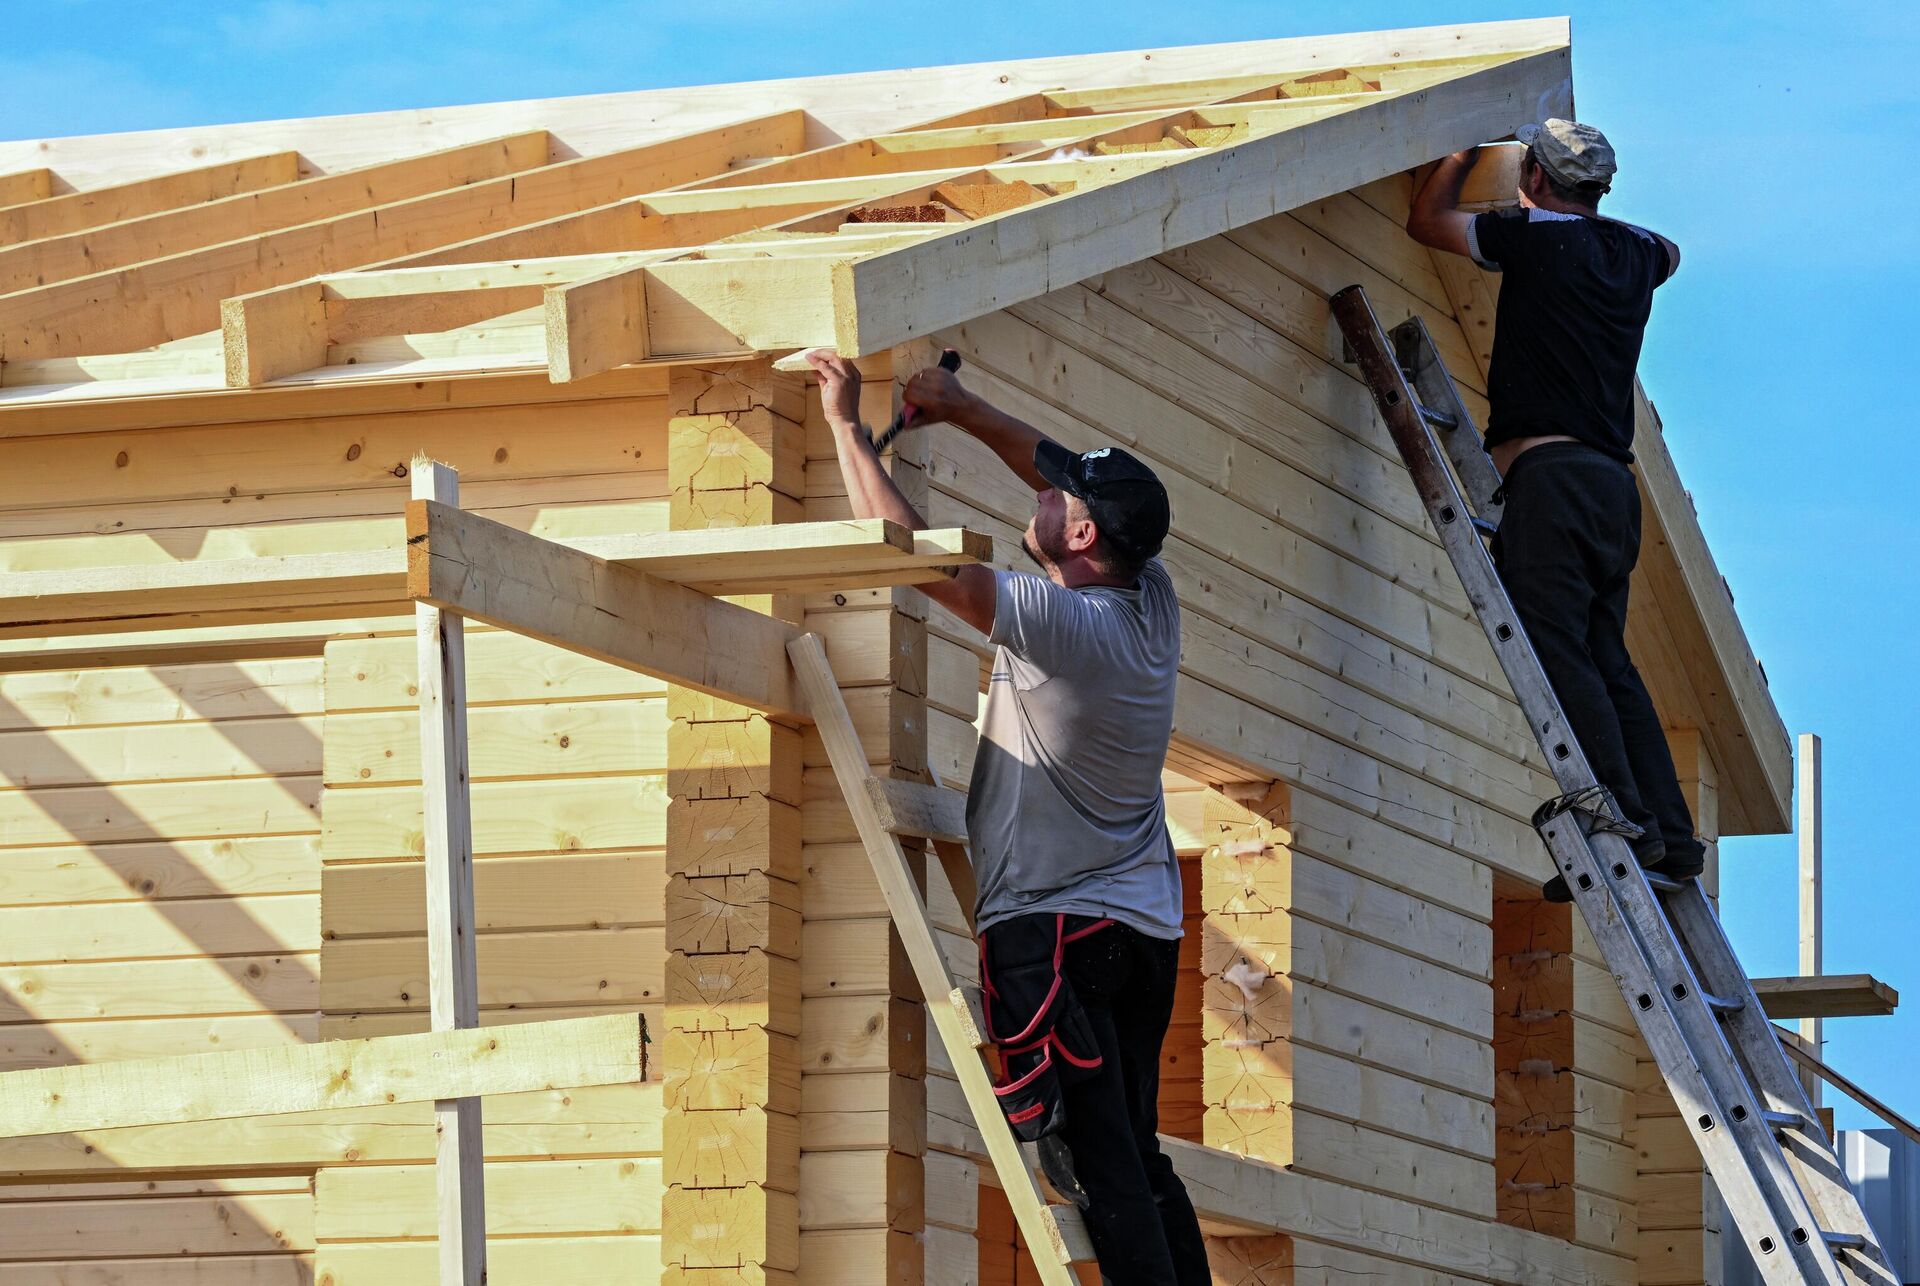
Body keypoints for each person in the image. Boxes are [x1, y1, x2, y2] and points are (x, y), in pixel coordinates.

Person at [807, 350, 1210, 1285]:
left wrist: (844, 427)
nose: (1039, 494)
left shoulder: (1065, 627)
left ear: (1082, 534)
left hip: (1056, 933)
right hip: (1141, 932)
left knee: (1102, 1167)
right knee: (1136, 1154)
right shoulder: (1150, 597)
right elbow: (1050, 470)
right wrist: (961, 408)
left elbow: (918, 557)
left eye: (1057, 498)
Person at [1405, 118, 1707, 902]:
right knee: (1606, 655)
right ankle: (1671, 838)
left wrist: (1459, 150)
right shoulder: (1637, 253)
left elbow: (1427, 221)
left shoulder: (1534, 239)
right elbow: (1669, 248)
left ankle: (1621, 819)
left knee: (1555, 644)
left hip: (1553, 478)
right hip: (1611, 489)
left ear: (1534, 178)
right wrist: (1584, 213)